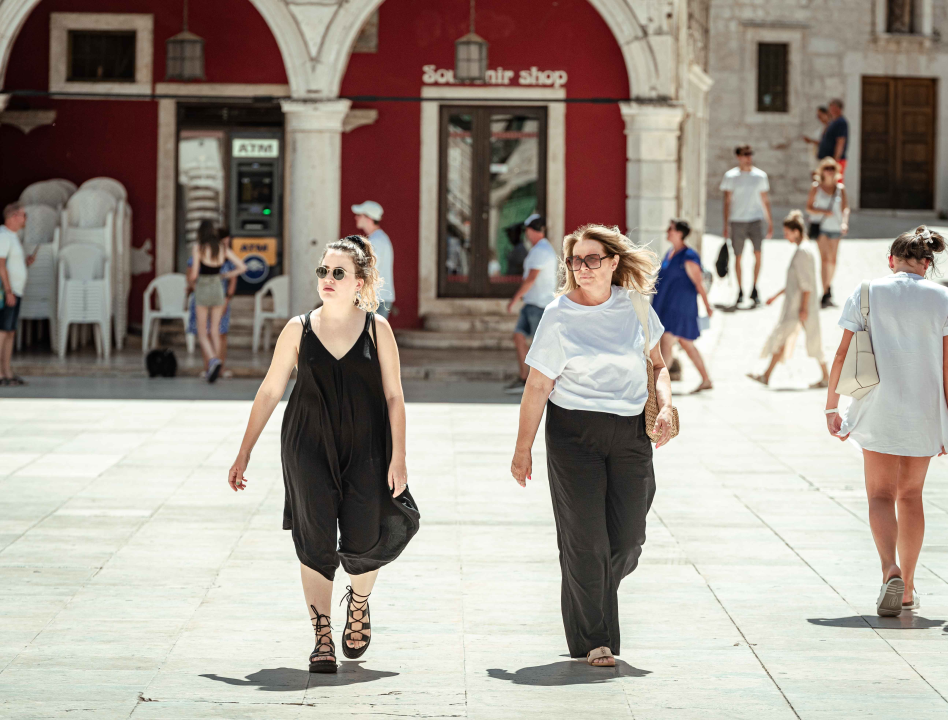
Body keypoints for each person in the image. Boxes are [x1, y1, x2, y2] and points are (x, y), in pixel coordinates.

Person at [227, 235, 419, 674]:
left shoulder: (377, 328)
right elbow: (270, 391)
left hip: (368, 447)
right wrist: (244, 452)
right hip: (307, 445)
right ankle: (321, 635)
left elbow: (394, 396)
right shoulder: (298, 328)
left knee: (364, 535)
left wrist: (399, 457)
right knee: (314, 539)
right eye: (322, 272)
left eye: (338, 273)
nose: (327, 280)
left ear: (359, 281)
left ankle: (360, 602)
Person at [510, 224, 674, 668]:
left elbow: (659, 366)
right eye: (575, 261)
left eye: (591, 259)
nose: (582, 269)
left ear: (613, 262)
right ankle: (594, 638)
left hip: (630, 435)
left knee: (627, 539)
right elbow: (537, 385)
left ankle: (592, 592)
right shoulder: (558, 314)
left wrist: (666, 406)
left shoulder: (636, 307)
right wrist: (522, 448)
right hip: (573, 435)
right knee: (585, 542)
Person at [825, 226, 948, 616]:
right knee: (911, 496)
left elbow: (843, 354)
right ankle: (908, 587)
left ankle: (888, 570)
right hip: (925, 409)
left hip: (878, 405)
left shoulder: (867, 291)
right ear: (927, 264)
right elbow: (947, 364)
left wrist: (832, 407)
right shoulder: (943, 297)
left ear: (891, 260)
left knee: (880, 494)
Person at [748, 211, 829, 389]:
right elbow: (795, 281)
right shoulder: (803, 250)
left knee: (812, 339)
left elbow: (806, 283)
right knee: (783, 337)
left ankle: (826, 376)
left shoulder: (803, 252)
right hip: (798, 304)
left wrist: (803, 308)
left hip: (800, 306)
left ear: (796, 231)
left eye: (787, 233)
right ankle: (766, 375)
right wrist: (776, 296)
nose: (785, 237)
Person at [652, 218, 713, 394]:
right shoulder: (670, 253)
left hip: (680, 308)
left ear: (680, 233)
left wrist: (708, 307)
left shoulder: (689, 257)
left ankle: (658, 384)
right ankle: (706, 379)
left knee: (667, 342)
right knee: (686, 344)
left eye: (671, 229)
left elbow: (699, 283)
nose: (667, 231)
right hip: (667, 305)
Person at [504, 214, 558, 395]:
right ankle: (524, 378)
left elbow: (530, 279)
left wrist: (514, 299)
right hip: (532, 304)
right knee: (519, 337)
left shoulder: (541, 251)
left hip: (540, 305)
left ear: (529, 230)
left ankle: (543, 383)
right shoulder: (539, 249)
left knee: (541, 347)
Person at [187, 221, 246, 383]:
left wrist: (192, 284)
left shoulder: (198, 248)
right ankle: (217, 361)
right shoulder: (223, 248)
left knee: (202, 330)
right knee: (215, 329)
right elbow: (242, 267)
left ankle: (213, 360)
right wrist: (225, 276)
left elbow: (194, 275)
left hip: (204, 287)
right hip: (218, 288)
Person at [720, 145, 773, 307]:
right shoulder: (730, 176)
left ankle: (755, 288)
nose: (748, 157)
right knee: (738, 256)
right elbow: (727, 202)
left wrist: (769, 222)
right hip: (737, 220)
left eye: (750, 154)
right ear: (738, 156)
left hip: (756, 219)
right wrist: (726, 224)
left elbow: (765, 200)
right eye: (745, 154)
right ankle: (740, 290)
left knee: (758, 254)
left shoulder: (760, 176)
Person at [806, 157, 850, 308]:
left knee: (833, 260)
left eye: (832, 168)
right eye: (827, 168)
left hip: (836, 228)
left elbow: (845, 208)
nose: (829, 171)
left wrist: (844, 222)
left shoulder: (840, 188)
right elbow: (809, 207)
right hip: (822, 227)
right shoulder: (816, 187)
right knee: (824, 260)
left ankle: (828, 286)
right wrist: (823, 211)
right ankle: (825, 292)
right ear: (822, 170)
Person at [0, 202, 34, 386]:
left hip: (15, 292)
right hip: (7, 292)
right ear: (13, 217)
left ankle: (7, 372)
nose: (25, 219)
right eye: (23, 215)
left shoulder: (13, 237)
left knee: (10, 332)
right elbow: (0, 265)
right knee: (2, 332)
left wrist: (25, 262)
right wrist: (8, 291)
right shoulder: (3, 236)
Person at [352, 201, 394, 319]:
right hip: (378, 298)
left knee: (368, 336)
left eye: (359, 215)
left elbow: (368, 269)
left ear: (368, 218)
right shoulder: (380, 238)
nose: (356, 217)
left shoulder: (375, 241)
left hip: (374, 299)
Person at [818, 99, 849, 177]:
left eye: (832, 107)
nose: (830, 110)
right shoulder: (833, 122)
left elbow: (840, 142)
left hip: (835, 161)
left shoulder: (841, 122)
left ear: (837, 108)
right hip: (828, 161)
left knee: (836, 185)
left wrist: (835, 162)